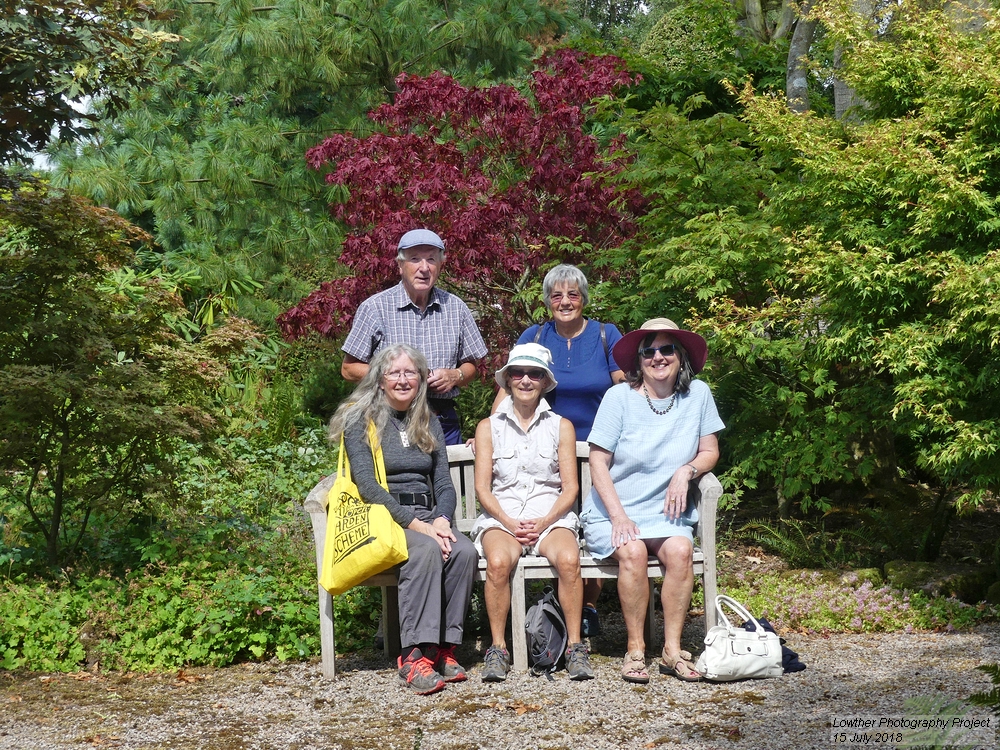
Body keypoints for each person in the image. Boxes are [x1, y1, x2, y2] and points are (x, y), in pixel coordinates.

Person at [581, 318, 724, 684]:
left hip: (665, 512)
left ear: (681, 356)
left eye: (667, 349)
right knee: (632, 552)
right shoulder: (619, 397)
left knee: (679, 552)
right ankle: (635, 649)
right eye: (649, 351)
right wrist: (618, 517)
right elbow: (598, 460)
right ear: (639, 360)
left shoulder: (698, 395)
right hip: (615, 511)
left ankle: (671, 649)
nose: (658, 357)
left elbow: (710, 450)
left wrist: (686, 471)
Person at [329, 344, 478, 695]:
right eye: (394, 372)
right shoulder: (359, 419)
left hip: (428, 515)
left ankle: (443, 648)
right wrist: (418, 525)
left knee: (464, 551)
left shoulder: (428, 420)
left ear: (421, 379)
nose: (402, 379)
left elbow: (443, 481)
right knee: (426, 550)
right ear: (380, 379)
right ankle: (412, 656)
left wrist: (442, 518)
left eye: (410, 372)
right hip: (384, 516)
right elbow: (366, 486)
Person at [490, 264, 625, 637]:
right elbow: (510, 384)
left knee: (592, 528)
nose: (565, 302)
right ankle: (553, 615)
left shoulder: (604, 334)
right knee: (564, 527)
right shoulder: (535, 335)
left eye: (572, 294)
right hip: (545, 451)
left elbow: (623, 386)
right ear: (548, 301)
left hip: (600, 451)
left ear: (583, 298)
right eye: (556, 295)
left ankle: (588, 609)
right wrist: (489, 430)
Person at [472, 344, 595, 682]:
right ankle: (498, 648)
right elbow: (483, 488)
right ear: (508, 380)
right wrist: (510, 523)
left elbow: (570, 488)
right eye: (518, 373)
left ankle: (574, 646)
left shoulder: (561, 426)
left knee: (569, 560)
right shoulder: (488, 428)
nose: (525, 380)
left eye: (534, 374)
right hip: (503, 517)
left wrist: (543, 522)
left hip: (550, 518)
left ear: (545, 382)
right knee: (497, 563)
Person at [341, 229, 488, 445]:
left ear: (441, 266)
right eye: (415, 259)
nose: (424, 268)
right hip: (388, 419)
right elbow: (348, 369)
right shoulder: (375, 308)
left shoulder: (456, 308)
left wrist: (455, 375)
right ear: (400, 266)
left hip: (441, 420)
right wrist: (398, 377)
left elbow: (472, 367)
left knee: (446, 479)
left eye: (431, 259)